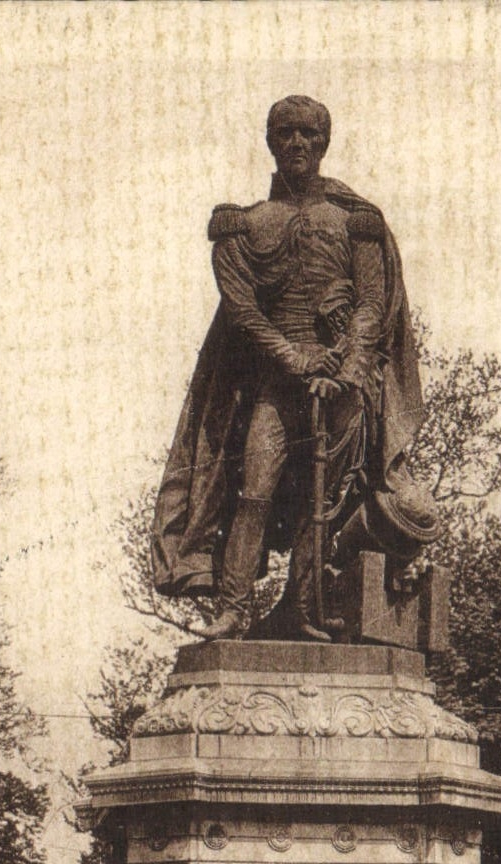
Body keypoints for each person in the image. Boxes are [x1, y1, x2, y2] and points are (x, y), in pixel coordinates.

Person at [152, 95, 436, 642]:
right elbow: (244, 313)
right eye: (286, 134)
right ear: (271, 141)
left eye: (308, 135)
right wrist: (297, 359)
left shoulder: (357, 224)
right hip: (276, 385)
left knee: (321, 503)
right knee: (253, 494)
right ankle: (233, 609)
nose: (297, 144)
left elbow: (373, 306)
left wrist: (347, 371)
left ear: (324, 144)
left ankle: (303, 609)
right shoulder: (244, 225)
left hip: (343, 386)